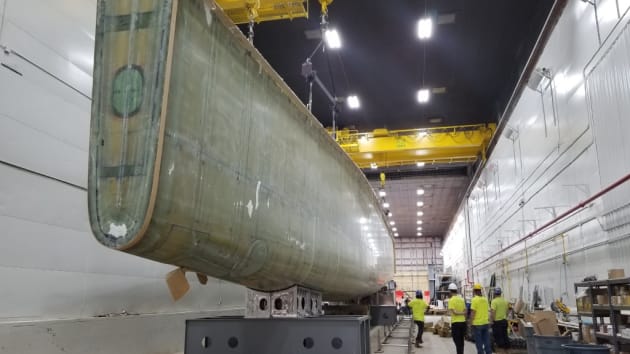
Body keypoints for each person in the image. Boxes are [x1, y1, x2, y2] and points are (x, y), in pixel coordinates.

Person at [470, 283, 492, 354]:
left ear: (474, 291)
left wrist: (471, 323)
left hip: (477, 324)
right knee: (486, 341)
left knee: (479, 342)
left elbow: (473, 313)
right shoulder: (485, 300)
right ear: (480, 291)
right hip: (485, 323)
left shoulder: (474, 300)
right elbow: (488, 311)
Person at [447, 283, 467, 354]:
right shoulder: (461, 299)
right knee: (461, 341)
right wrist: (462, 313)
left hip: (456, 323)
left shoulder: (451, 300)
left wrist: (459, 313)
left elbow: (454, 312)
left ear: (450, 291)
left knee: (457, 341)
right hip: (463, 323)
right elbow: (465, 311)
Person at [491, 287, 510, 353]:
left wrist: (492, 321)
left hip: (497, 323)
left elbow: (493, 313)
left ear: (494, 293)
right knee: (505, 339)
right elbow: (507, 312)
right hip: (504, 322)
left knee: (499, 342)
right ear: (500, 293)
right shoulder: (505, 301)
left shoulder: (494, 301)